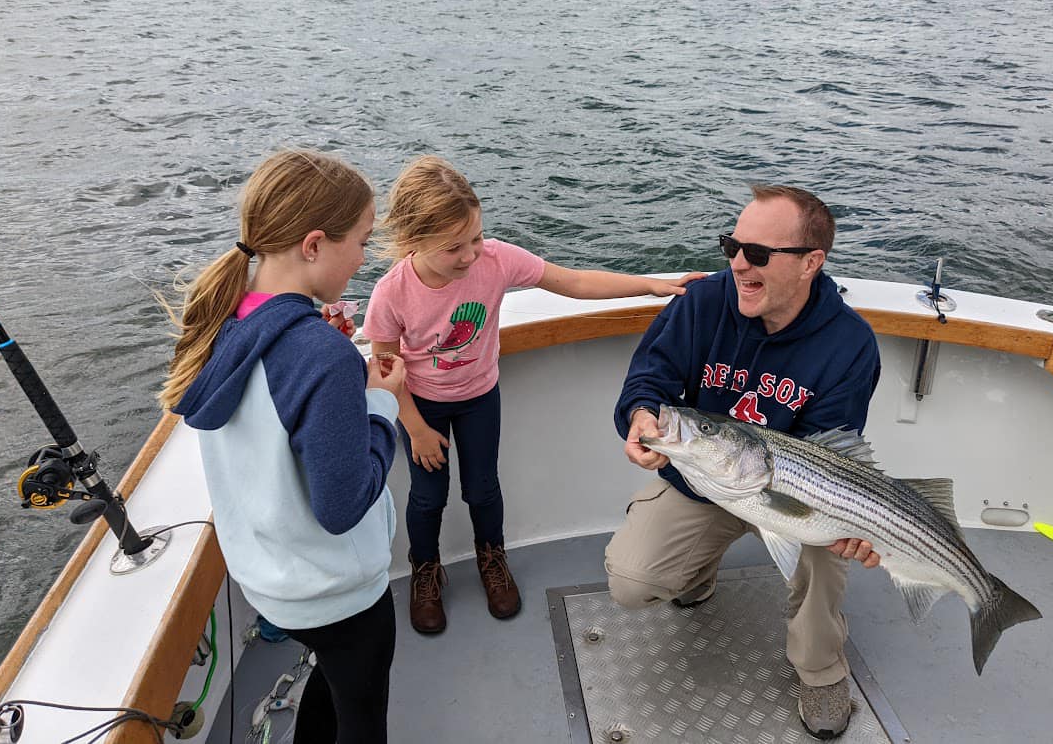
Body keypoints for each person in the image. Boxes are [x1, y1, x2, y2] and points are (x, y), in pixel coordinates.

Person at [362, 155, 705, 635]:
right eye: (453, 247)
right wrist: (416, 428)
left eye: (476, 238)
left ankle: (491, 557)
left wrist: (649, 285)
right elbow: (384, 370)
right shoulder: (392, 292)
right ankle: (425, 571)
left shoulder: (495, 260)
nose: (470, 255)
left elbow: (572, 281)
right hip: (421, 406)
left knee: (483, 488)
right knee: (426, 498)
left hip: (480, 395)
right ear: (414, 241)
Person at [606, 184, 882, 741]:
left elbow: (831, 451)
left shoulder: (851, 344)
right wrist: (640, 413)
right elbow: (652, 374)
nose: (737, 264)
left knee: (829, 547)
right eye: (732, 245)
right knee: (632, 582)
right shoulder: (703, 302)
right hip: (706, 479)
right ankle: (697, 571)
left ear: (811, 263)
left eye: (756, 254)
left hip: (794, 494)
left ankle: (821, 670)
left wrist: (852, 525)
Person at [161, 149, 406, 744]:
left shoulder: (225, 326)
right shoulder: (321, 356)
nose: (365, 257)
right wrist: (381, 404)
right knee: (362, 713)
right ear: (315, 244)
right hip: (340, 594)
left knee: (335, 678)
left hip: (272, 582)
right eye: (363, 240)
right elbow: (342, 504)